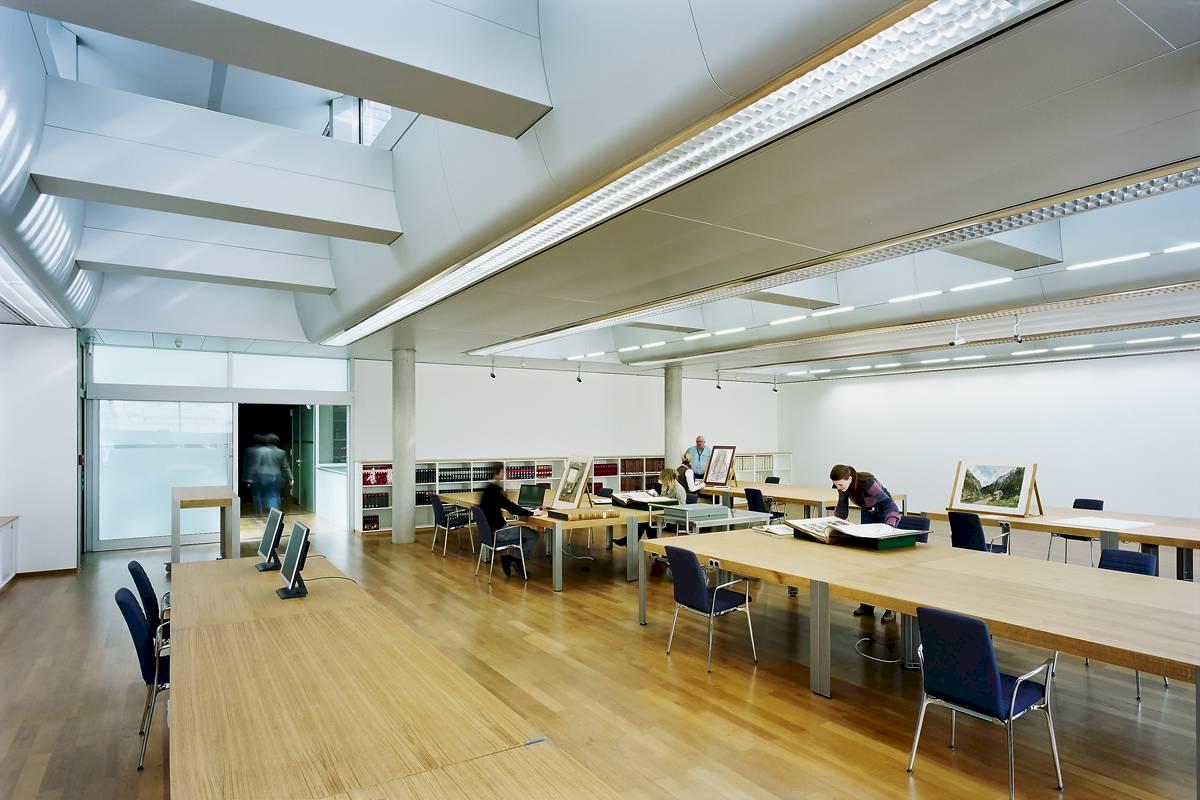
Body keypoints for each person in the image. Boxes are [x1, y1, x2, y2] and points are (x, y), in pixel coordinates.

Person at [830, 464, 901, 623]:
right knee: (867, 563)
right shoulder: (843, 487)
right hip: (867, 512)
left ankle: (891, 608)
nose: (839, 488)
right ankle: (867, 605)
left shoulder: (868, 482)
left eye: (840, 485)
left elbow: (890, 506)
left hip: (883, 513)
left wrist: (889, 527)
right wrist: (834, 525)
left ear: (850, 478)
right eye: (836, 485)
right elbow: (842, 508)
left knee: (885, 564)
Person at [479, 463, 542, 577]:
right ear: (496, 474)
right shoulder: (494, 491)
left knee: (525, 532)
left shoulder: (487, 490)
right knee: (533, 535)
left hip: (490, 532)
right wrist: (533, 512)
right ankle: (514, 559)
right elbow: (511, 508)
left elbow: (505, 504)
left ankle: (513, 559)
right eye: (502, 473)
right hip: (501, 533)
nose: (504, 475)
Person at [614, 468, 688, 546]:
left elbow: (681, 507)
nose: (661, 481)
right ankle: (651, 547)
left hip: (673, 517)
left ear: (667, 479)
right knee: (645, 521)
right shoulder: (666, 486)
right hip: (662, 512)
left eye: (662, 479)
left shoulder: (679, 489)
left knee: (646, 521)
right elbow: (662, 499)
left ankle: (630, 541)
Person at [245, 433, 293, 517]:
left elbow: (256, 465)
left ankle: (267, 511)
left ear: (267, 442)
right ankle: (275, 512)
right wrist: (290, 478)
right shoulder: (281, 452)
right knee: (275, 494)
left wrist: (250, 477)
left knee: (264, 493)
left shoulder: (261, 451)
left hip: (263, 476)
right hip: (276, 475)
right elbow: (285, 466)